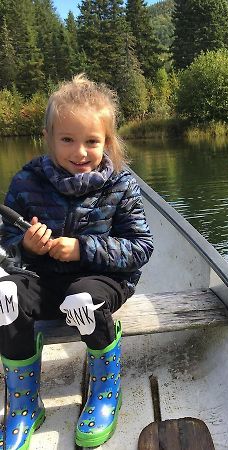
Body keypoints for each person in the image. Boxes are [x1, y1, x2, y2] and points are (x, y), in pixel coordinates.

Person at [0, 74, 153, 449]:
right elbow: (5, 241)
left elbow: (140, 246)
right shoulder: (27, 182)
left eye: (91, 141)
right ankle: (23, 405)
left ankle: (105, 390)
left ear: (107, 142)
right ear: (49, 137)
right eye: (67, 139)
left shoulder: (121, 186)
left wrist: (83, 249)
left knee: (82, 300)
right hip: (42, 278)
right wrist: (27, 246)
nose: (79, 151)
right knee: (4, 296)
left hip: (102, 279)